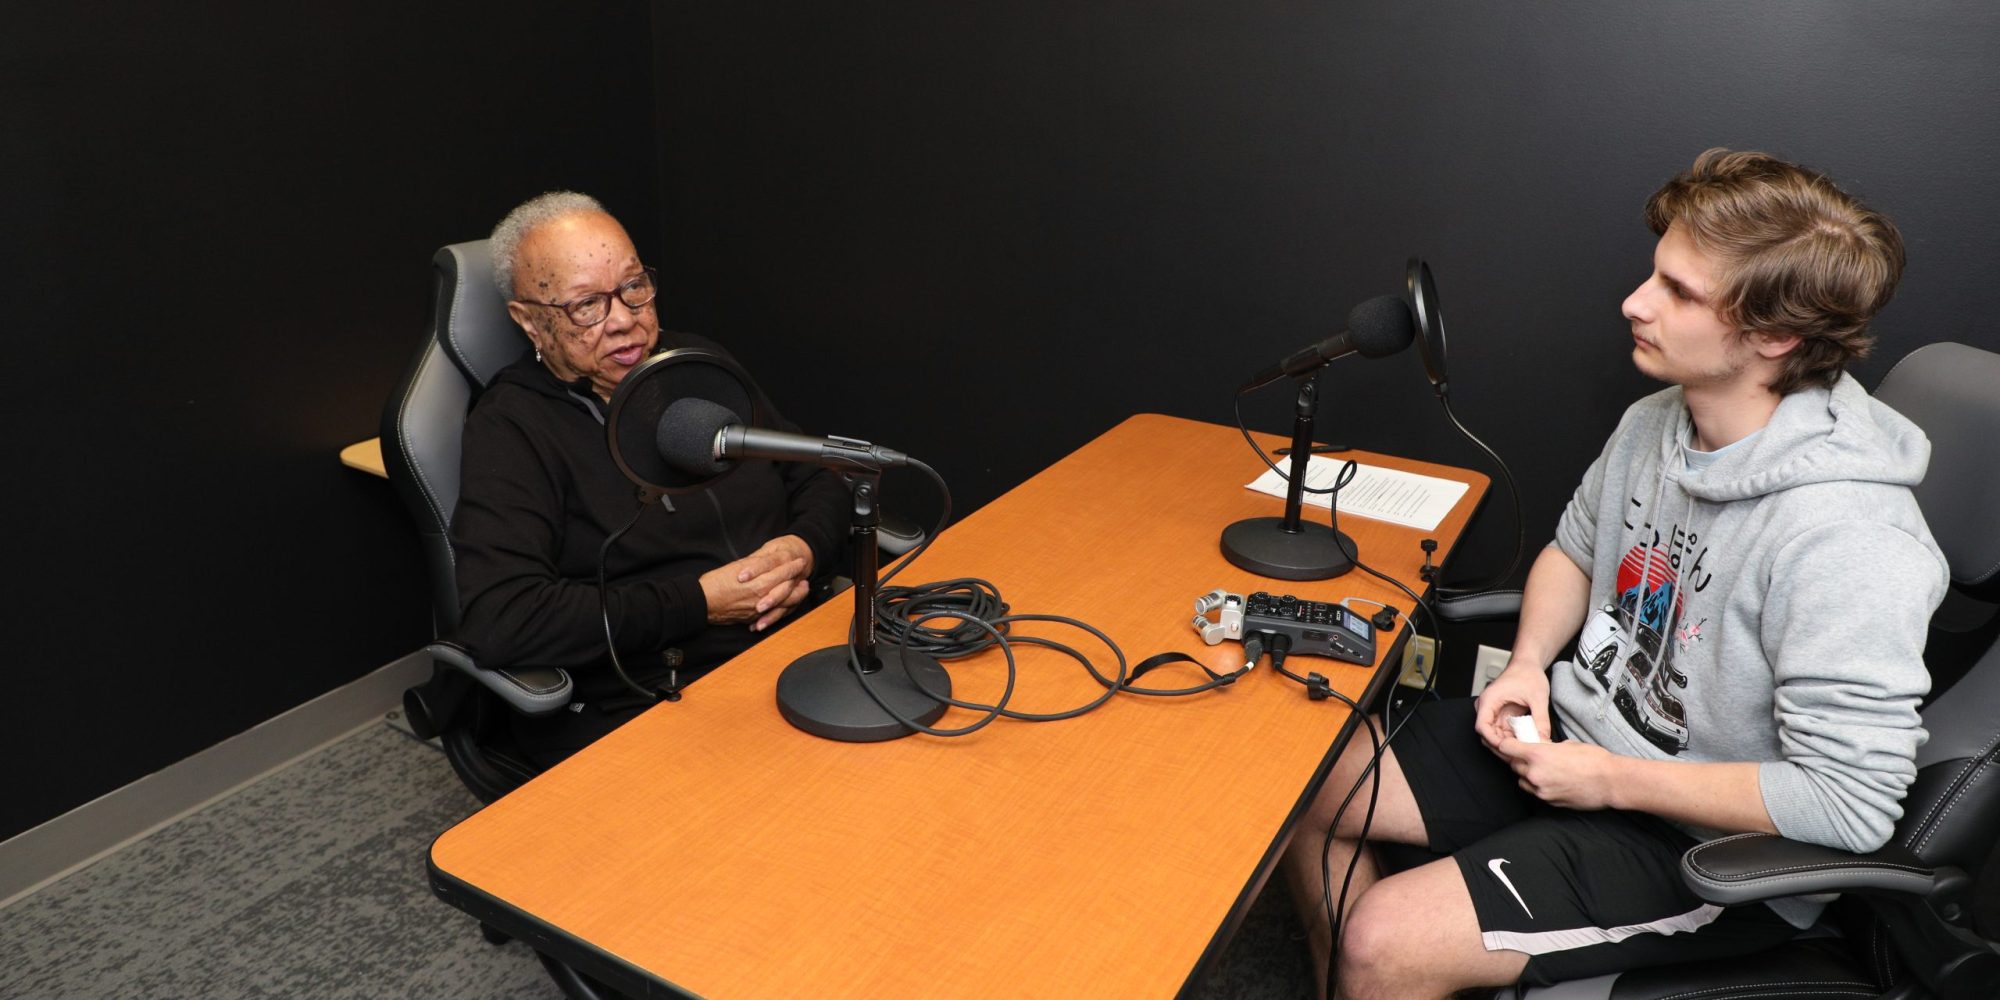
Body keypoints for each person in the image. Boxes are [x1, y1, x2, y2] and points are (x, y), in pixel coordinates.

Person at [1280, 149, 1947, 999]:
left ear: (1775, 337)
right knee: (1305, 783)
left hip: (1702, 843)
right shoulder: (1656, 421)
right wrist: (1527, 668)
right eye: (1653, 273)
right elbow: (1574, 553)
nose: (1634, 303)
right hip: (1575, 743)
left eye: (1680, 293)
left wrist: (1609, 781)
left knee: (1384, 939)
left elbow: (1851, 806)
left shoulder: (1852, 539)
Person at [450, 191, 851, 764]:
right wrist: (699, 602)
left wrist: (803, 548)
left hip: (798, 641)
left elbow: (818, 476)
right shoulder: (512, 428)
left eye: (634, 287)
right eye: (586, 304)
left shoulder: (696, 365)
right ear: (529, 323)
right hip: (655, 695)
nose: (624, 321)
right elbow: (504, 618)